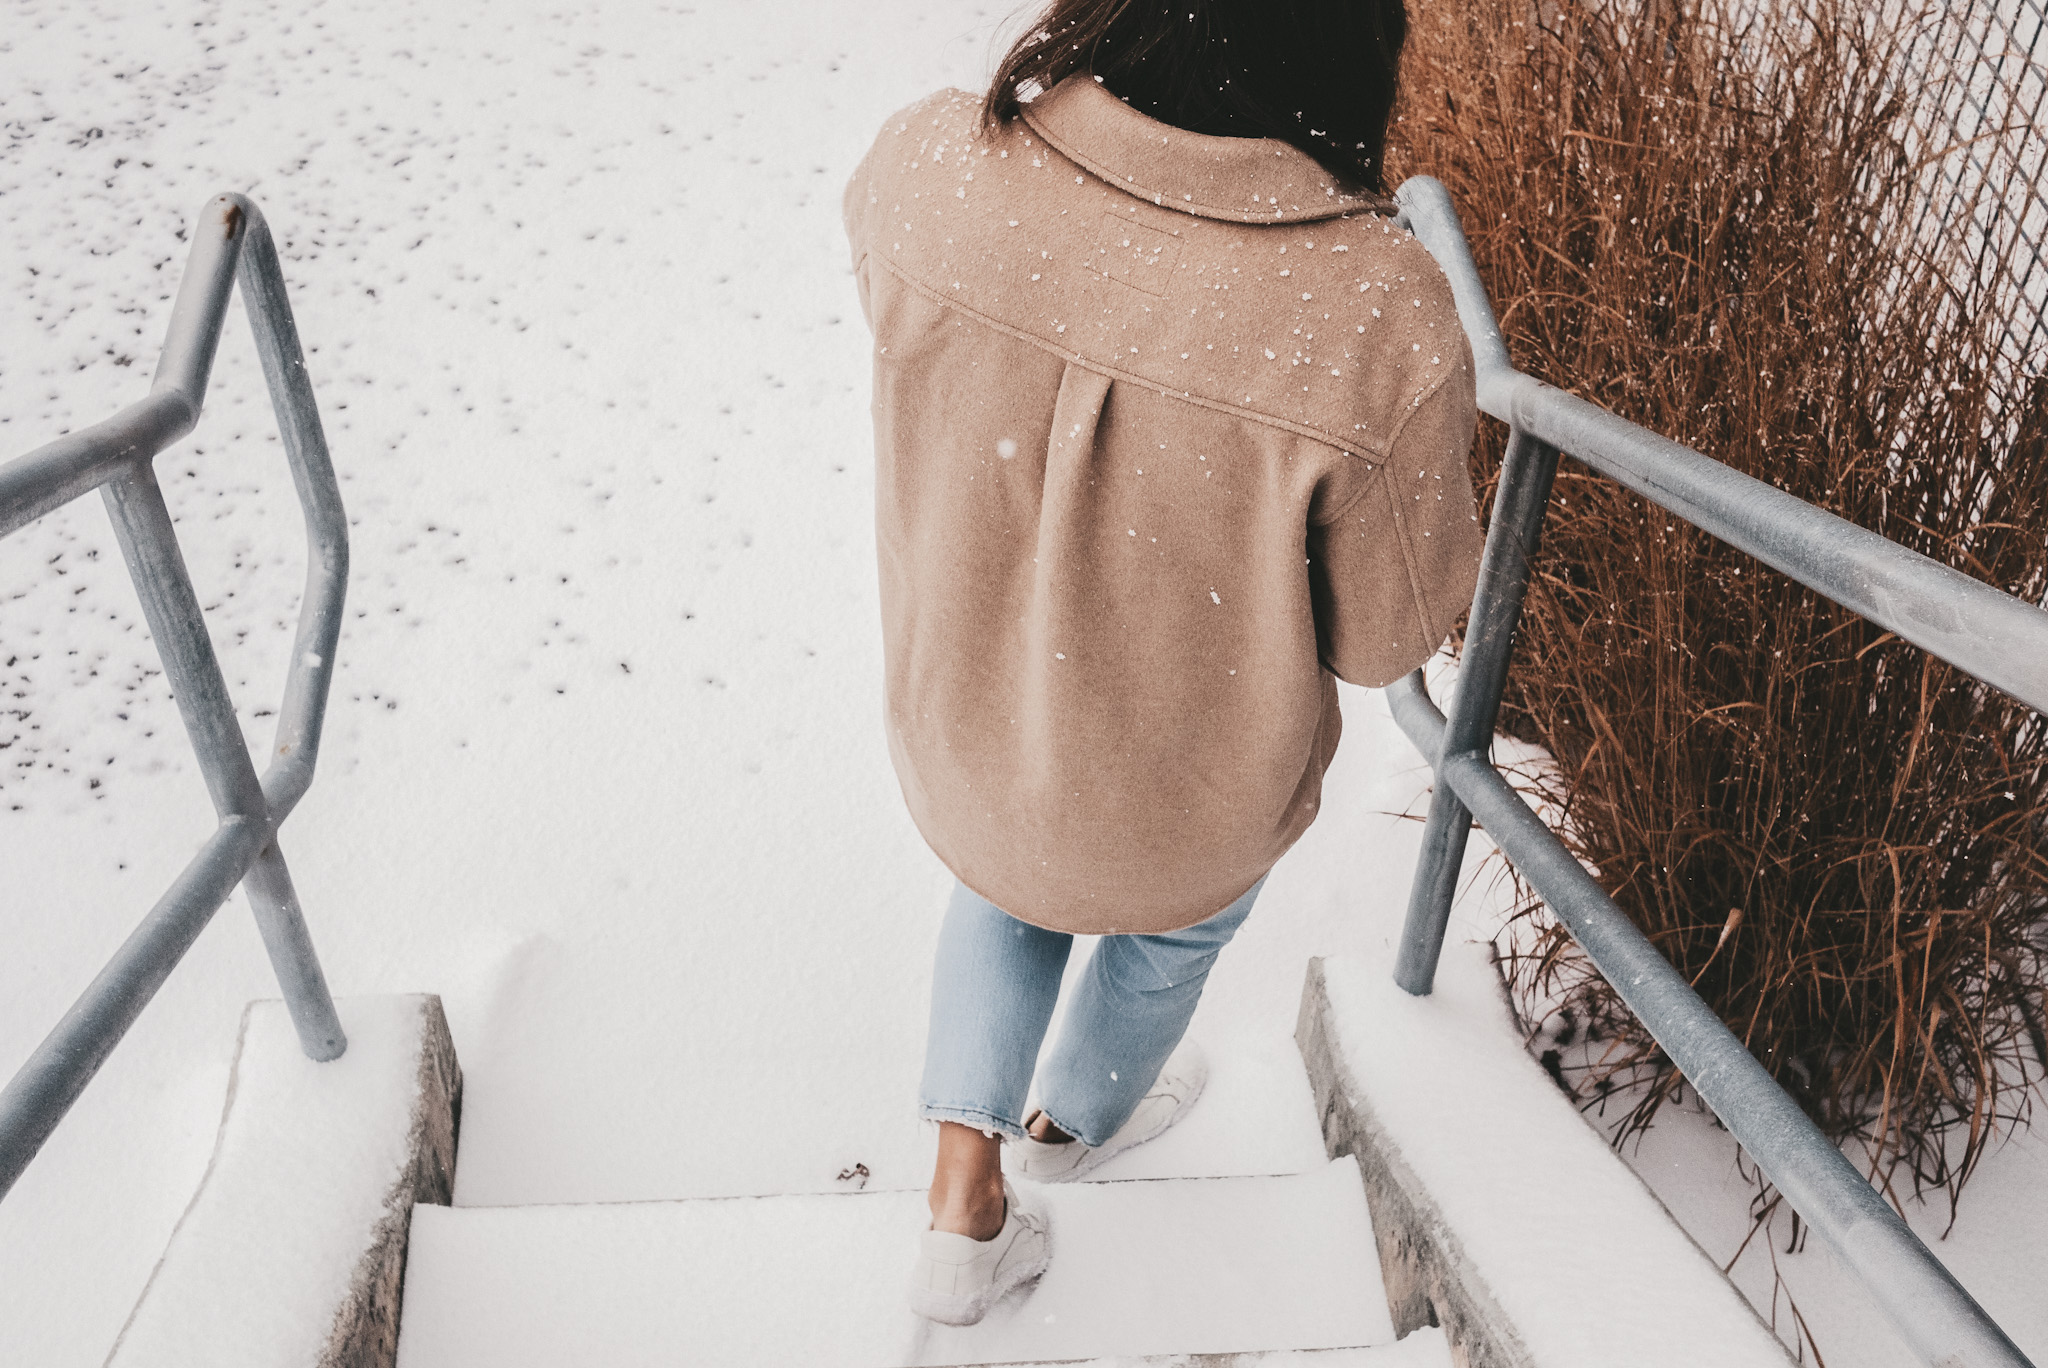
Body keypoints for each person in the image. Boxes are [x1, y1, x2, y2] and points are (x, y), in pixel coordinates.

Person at [842, 0, 1482, 1327]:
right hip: (1186, 802)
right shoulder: (1376, 309)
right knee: (1166, 934)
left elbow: (895, 288)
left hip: (975, 737)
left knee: (1009, 881)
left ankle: (963, 1204)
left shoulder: (937, 170)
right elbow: (1387, 639)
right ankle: (1073, 1124)